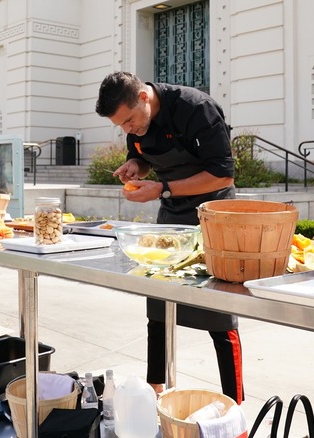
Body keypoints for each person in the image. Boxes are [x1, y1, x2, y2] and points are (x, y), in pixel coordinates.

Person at [96, 71, 244, 404]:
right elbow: (145, 156)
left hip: (213, 214)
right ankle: (155, 393)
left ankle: (234, 403)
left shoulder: (196, 108)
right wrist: (135, 166)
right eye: (121, 126)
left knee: (218, 312)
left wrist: (162, 188)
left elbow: (223, 173)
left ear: (144, 97)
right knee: (158, 305)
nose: (128, 129)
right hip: (171, 215)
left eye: (130, 121)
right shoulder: (135, 123)